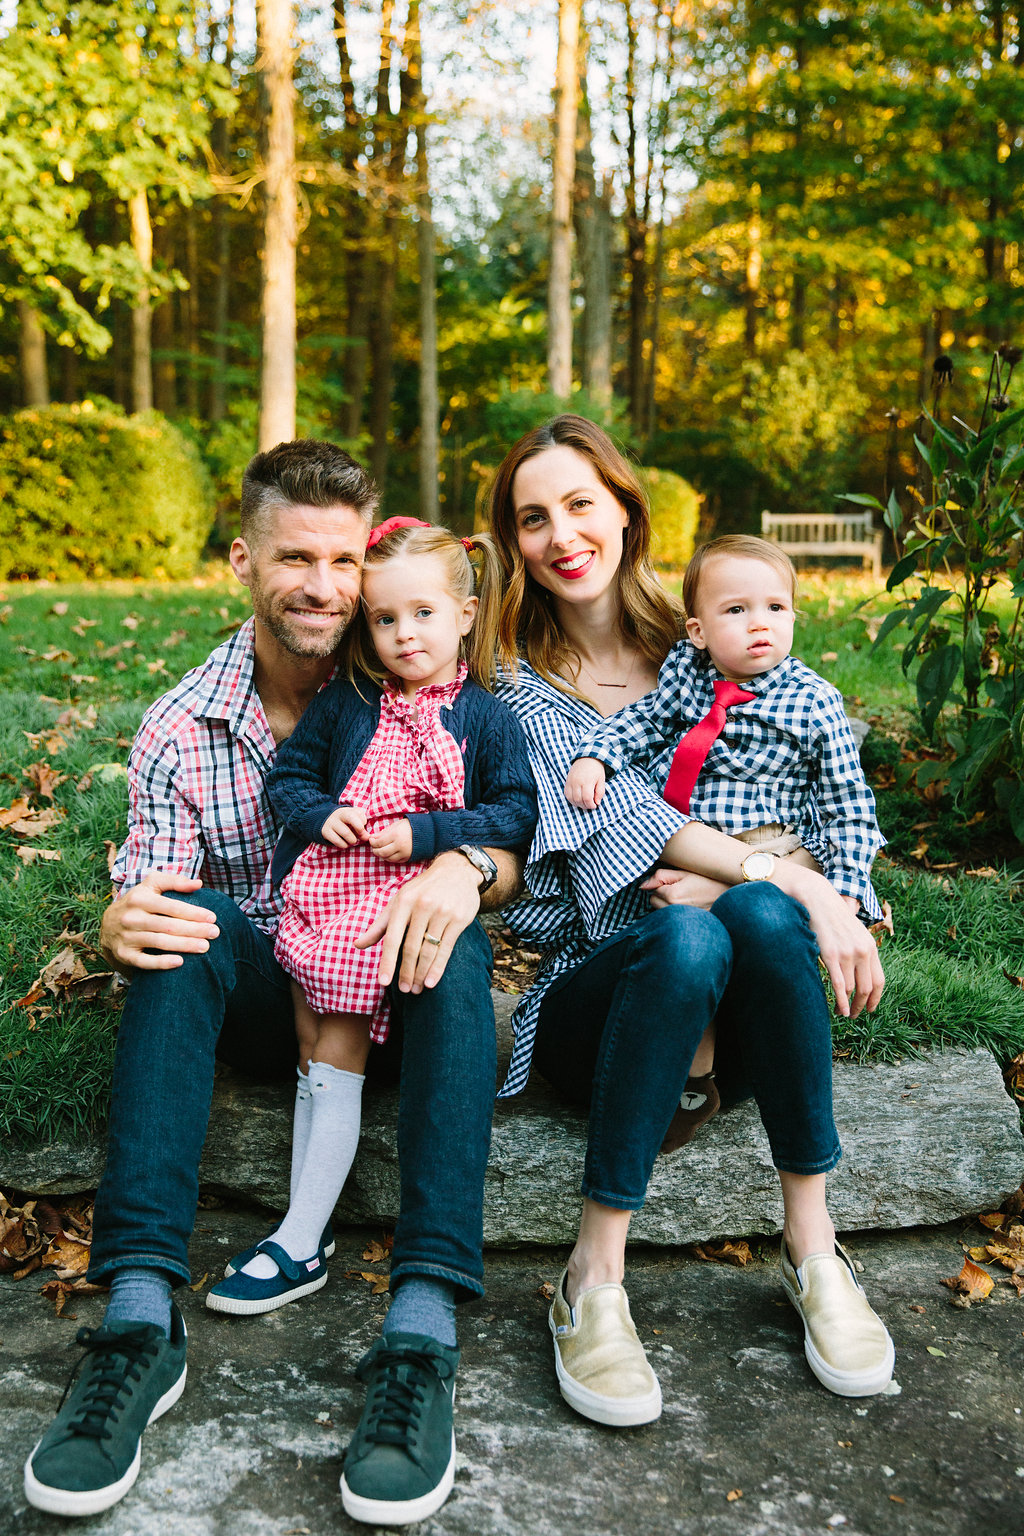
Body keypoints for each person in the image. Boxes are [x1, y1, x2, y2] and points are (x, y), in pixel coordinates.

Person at [23, 442, 523, 1529]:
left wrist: (461, 861)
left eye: (344, 561)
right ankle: (140, 1322)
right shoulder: (180, 723)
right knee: (175, 928)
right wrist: (126, 914)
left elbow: (516, 828)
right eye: (295, 558)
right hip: (275, 993)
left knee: (456, 935)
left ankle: (423, 1327)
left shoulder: (420, 668)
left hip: (402, 980)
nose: (325, 589)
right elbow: (155, 880)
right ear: (243, 560)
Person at [488, 414, 893, 1430]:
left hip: (743, 1005)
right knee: (687, 931)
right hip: (607, 1003)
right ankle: (593, 1278)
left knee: (732, 917)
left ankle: (812, 1251)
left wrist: (772, 878)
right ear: (515, 543)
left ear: (625, 510)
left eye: (580, 503)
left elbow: (824, 792)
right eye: (532, 518)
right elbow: (620, 826)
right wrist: (797, 881)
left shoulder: (714, 633)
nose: (560, 534)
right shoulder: (511, 686)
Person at [205, 517, 536, 1320]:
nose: (403, 634)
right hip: (323, 889)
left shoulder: (488, 717)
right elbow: (291, 775)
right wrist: (320, 816)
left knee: (338, 1043)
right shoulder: (348, 699)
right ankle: (303, 1230)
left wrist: (427, 835)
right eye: (384, 619)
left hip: (405, 908)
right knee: (315, 1043)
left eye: (423, 614)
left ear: (465, 615)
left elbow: (515, 815)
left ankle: (301, 1232)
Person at [564, 533, 886, 1140]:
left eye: (775, 608)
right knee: (684, 942)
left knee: (743, 925)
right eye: (735, 611)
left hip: (766, 846)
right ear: (698, 631)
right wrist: (596, 758)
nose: (758, 624)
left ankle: (711, 1076)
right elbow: (641, 721)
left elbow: (849, 807)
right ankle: (692, 1074)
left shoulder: (813, 703)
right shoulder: (687, 678)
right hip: (686, 844)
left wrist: (845, 892)